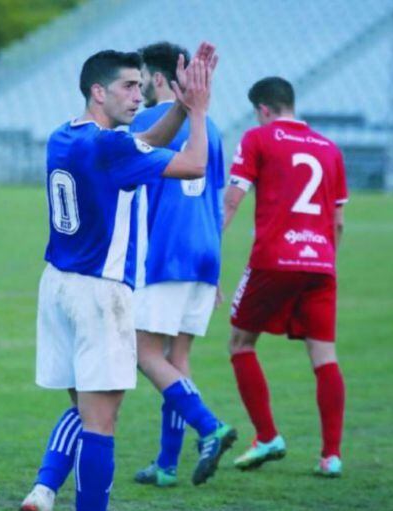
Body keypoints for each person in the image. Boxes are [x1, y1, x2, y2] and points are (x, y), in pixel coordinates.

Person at [19, 43, 218, 511]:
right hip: (100, 292)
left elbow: (143, 143)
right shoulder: (114, 147)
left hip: (57, 286)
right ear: (97, 91)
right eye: (127, 87)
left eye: (139, 85)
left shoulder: (63, 136)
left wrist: (182, 108)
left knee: (85, 409)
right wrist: (201, 114)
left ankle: (44, 490)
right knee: (101, 422)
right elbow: (194, 165)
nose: (138, 94)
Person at [222, 76, 349, 478]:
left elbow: (234, 198)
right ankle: (331, 455)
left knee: (241, 343)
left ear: (262, 108)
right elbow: (339, 221)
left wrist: (208, 243)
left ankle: (267, 435)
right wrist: (323, 258)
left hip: (274, 259)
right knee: (324, 355)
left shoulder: (258, 138)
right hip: (321, 262)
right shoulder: (330, 149)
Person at [127, 41, 236, 489]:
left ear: (156, 79)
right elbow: (215, 198)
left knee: (145, 354)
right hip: (204, 251)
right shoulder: (207, 124)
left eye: (140, 82)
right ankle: (167, 465)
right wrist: (214, 272)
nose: (137, 93)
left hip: (165, 252)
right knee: (178, 358)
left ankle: (209, 427)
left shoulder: (143, 123)